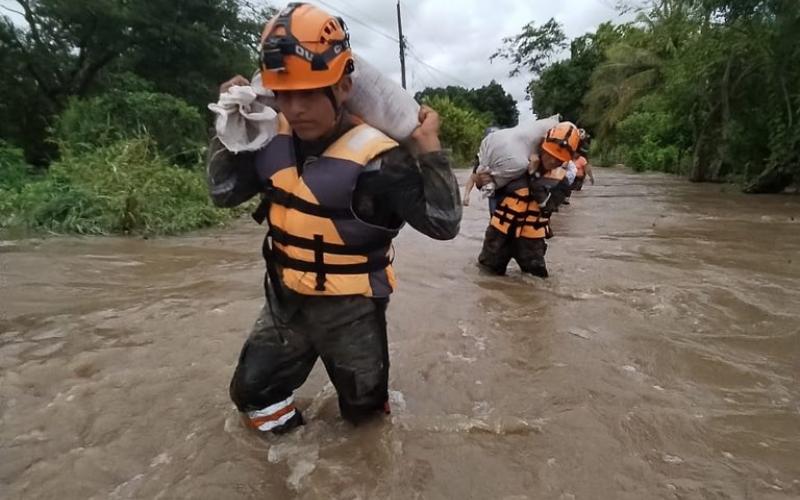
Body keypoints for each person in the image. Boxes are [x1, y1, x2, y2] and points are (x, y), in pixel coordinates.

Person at [206, 3, 461, 434]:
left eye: (309, 93)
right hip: (285, 302)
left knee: (363, 416)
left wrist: (429, 150)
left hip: (352, 312)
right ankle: (293, 459)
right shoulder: (268, 139)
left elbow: (443, 223)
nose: (295, 107)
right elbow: (223, 193)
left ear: (344, 87)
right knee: (251, 393)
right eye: (284, 94)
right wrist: (227, 127)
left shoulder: (383, 161)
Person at [475, 122, 579, 278]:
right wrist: (480, 180)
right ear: (542, 145)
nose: (551, 161)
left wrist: (534, 175)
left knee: (538, 283)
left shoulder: (561, 181)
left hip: (531, 242)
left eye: (557, 159)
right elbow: (490, 188)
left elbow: (546, 206)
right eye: (549, 154)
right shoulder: (515, 164)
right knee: (486, 278)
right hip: (499, 236)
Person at [462, 126, 499, 208]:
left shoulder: (507, 153)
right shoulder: (481, 156)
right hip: (493, 187)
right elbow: (473, 177)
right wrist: (466, 195)